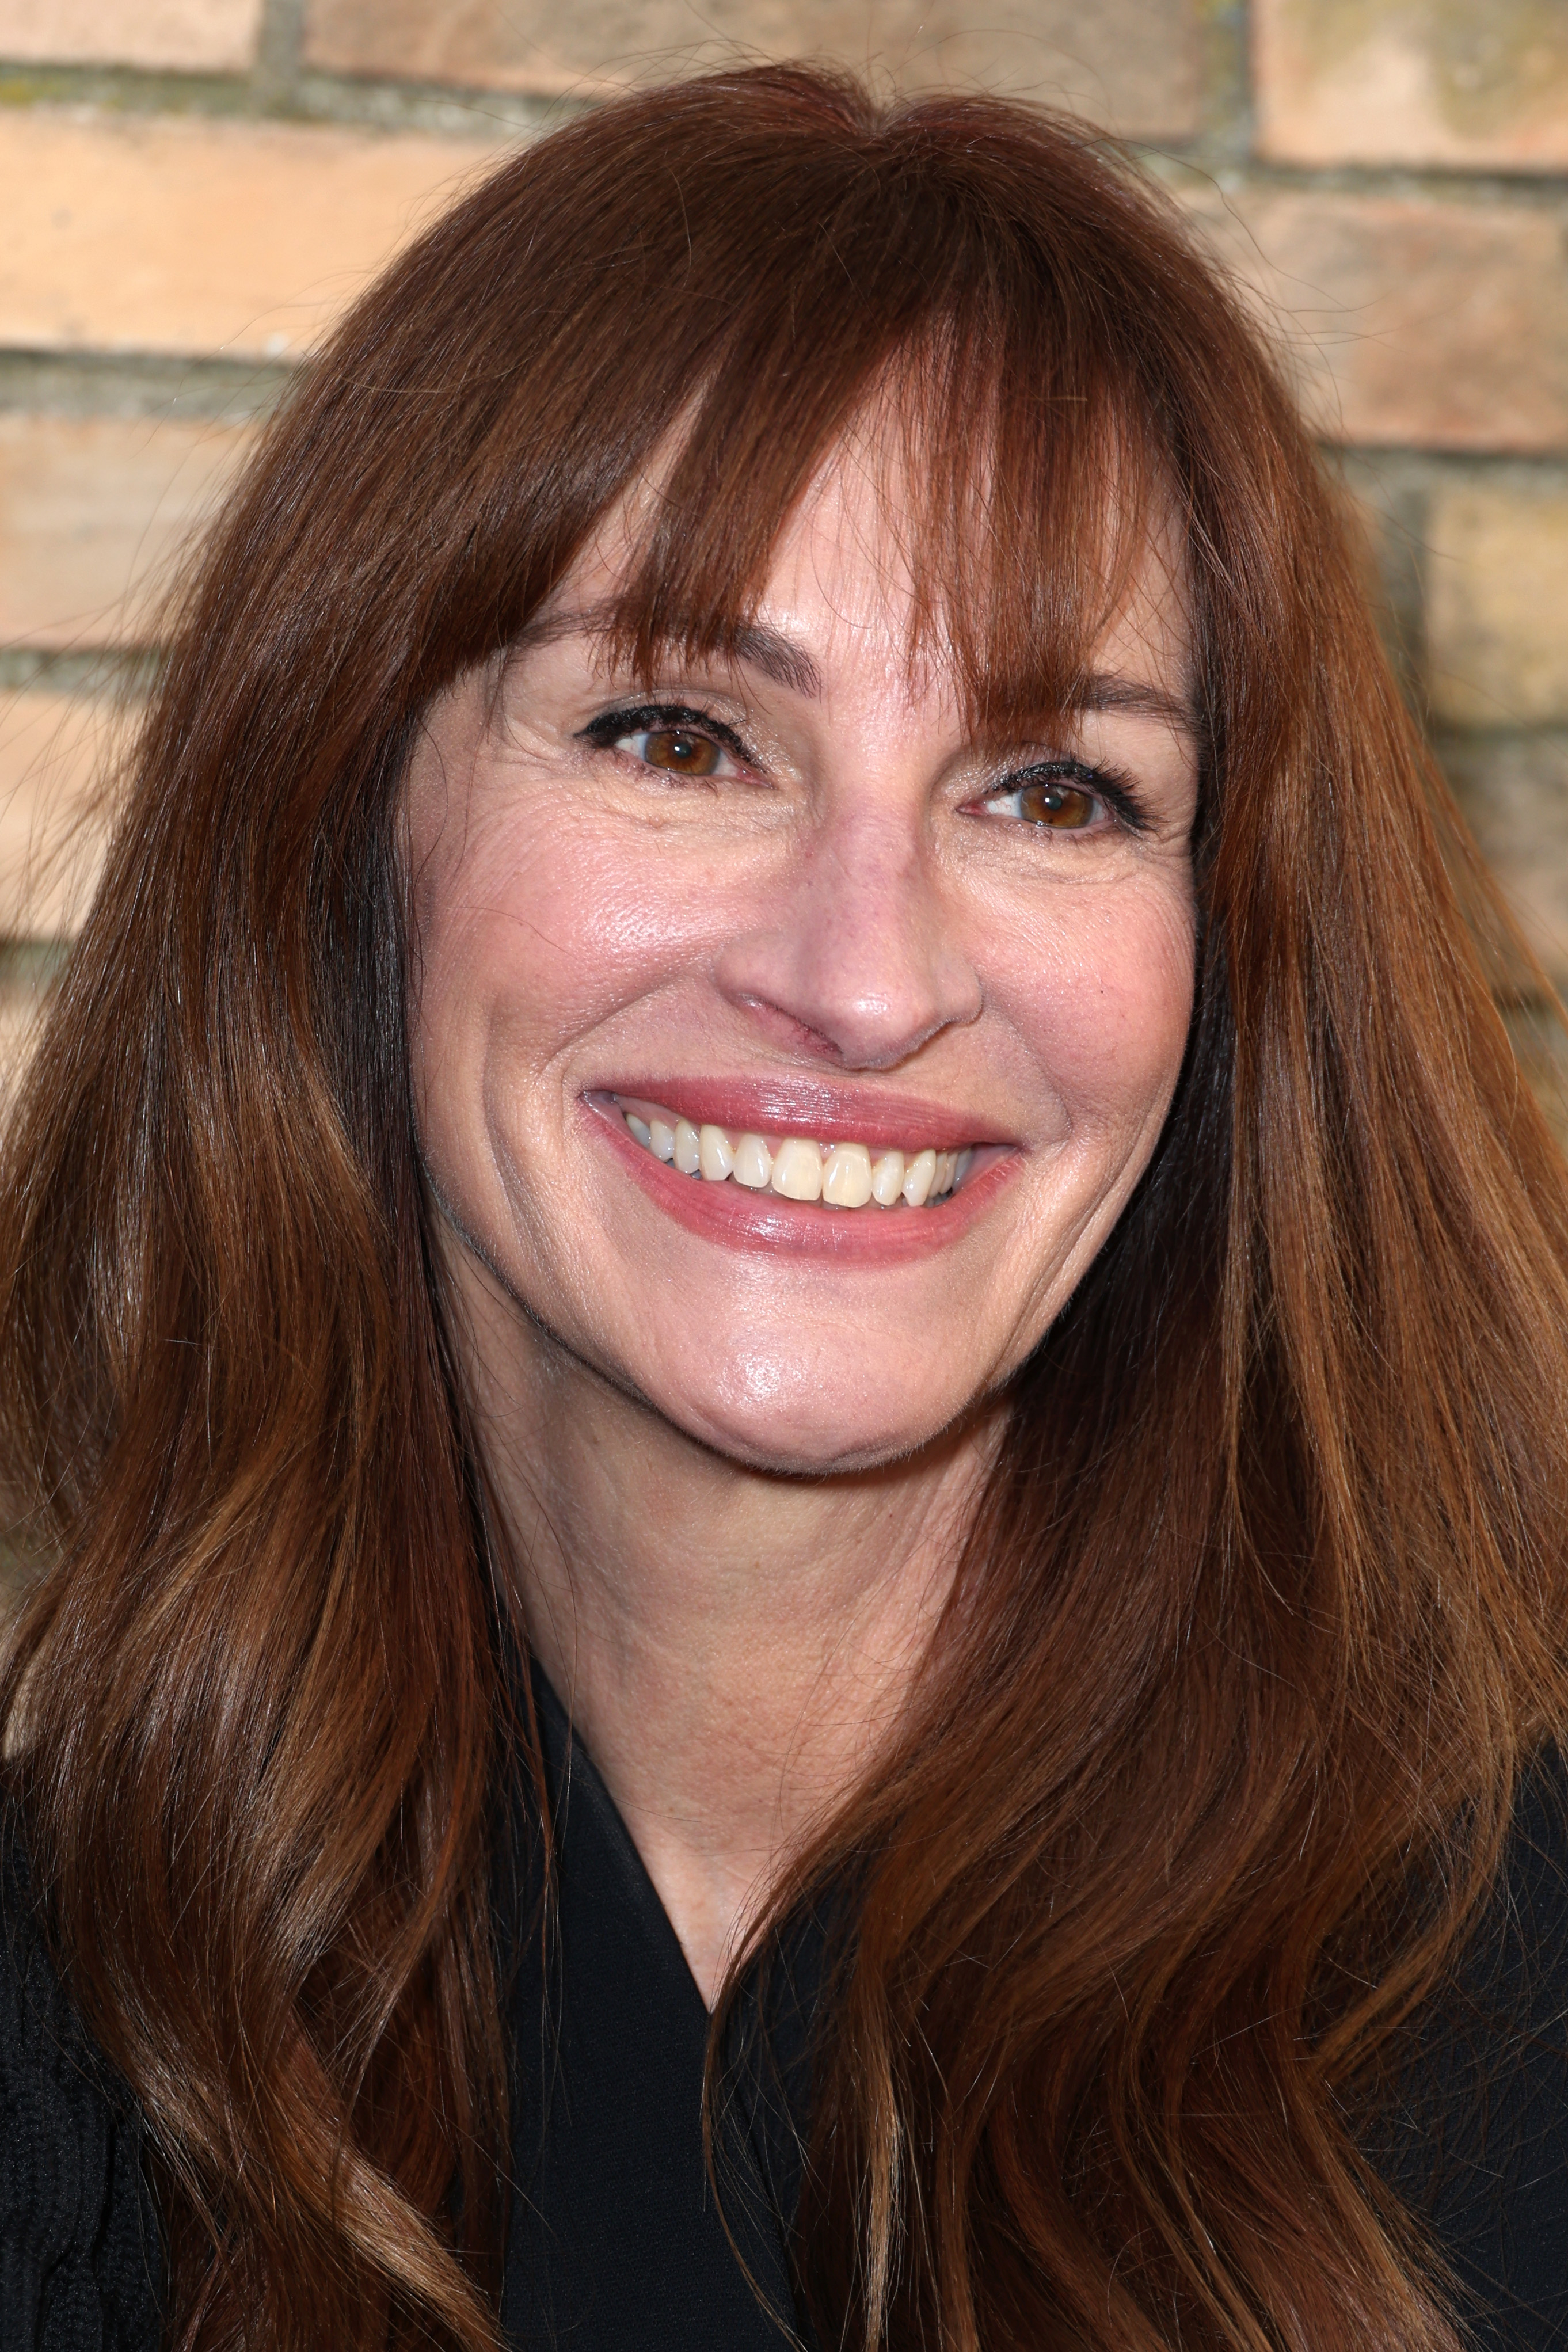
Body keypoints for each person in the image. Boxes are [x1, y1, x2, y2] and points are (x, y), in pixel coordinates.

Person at [2, 57, 1567, 2352]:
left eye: (1056, 787)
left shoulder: (1519, 2030)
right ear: (343, 829)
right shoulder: (67, 2029)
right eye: (676, 735)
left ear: (1231, 972)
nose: (863, 974)